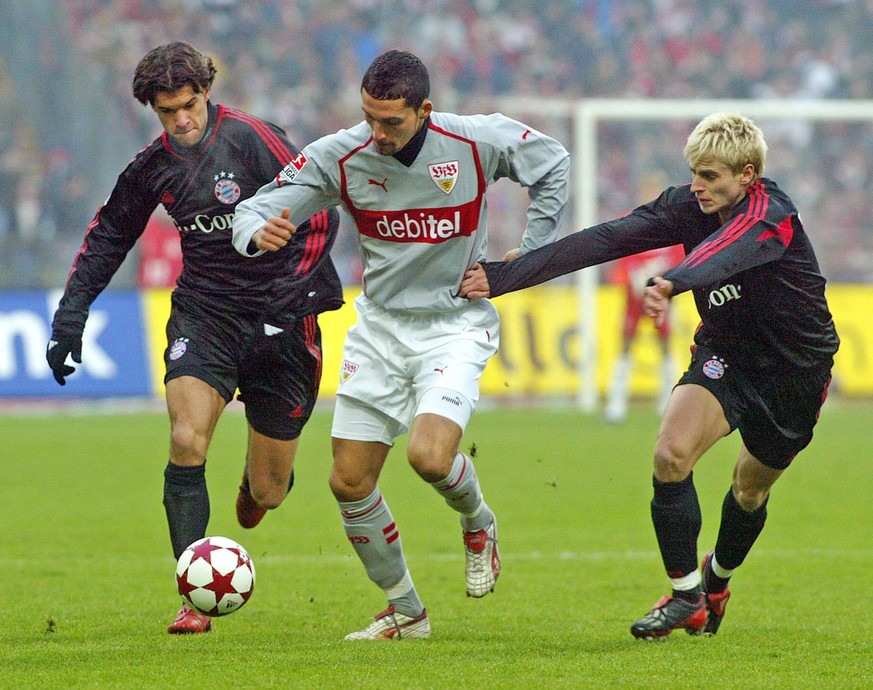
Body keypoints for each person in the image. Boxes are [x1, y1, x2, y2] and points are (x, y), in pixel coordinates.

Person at [459, 112, 839, 639]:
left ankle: (717, 581)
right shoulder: (685, 205)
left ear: (747, 174)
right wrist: (507, 276)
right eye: (695, 174)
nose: (698, 187)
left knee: (750, 492)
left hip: (796, 369)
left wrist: (675, 280)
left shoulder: (771, 213)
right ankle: (686, 596)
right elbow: (609, 239)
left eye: (711, 177)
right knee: (670, 455)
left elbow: (727, 252)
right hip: (726, 353)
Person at [232, 50, 571, 640]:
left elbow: (555, 165)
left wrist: (529, 258)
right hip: (382, 328)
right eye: (370, 118)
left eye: (392, 121)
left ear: (424, 110)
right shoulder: (341, 155)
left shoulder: (474, 141)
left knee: (429, 457)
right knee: (348, 481)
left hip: (455, 323)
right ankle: (407, 612)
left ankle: (477, 519)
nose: (379, 133)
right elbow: (258, 205)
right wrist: (255, 231)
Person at [45, 42, 343, 635]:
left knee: (270, 490)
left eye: (188, 106)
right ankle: (191, 592)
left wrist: (291, 291)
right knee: (186, 438)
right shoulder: (153, 165)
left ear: (206, 92)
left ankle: (254, 488)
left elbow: (324, 211)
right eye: (167, 113)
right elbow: (109, 234)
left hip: (285, 318)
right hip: (206, 315)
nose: (181, 121)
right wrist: (71, 313)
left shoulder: (256, 140)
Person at [603, 243, 682, 424]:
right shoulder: (637, 225)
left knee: (666, 347)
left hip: (662, 296)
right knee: (625, 345)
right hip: (635, 298)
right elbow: (624, 264)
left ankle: (669, 401)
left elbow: (679, 262)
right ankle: (616, 404)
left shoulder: (672, 228)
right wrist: (637, 275)